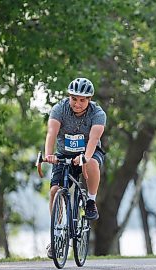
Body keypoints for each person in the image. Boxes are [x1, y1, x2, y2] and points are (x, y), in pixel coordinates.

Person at [40, 77, 106, 259]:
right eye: (74, 99)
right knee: (54, 190)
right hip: (64, 154)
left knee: (92, 162)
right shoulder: (59, 109)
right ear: (69, 97)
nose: (77, 103)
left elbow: (93, 139)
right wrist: (48, 155)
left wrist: (84, 157)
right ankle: (56, 234)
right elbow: (51, 133)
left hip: (88, 152)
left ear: (89, 100)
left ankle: (91, 201)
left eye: (82, 100)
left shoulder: (98, 113)